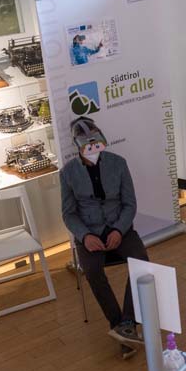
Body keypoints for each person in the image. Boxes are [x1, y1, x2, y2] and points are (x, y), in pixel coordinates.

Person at [60, 116, 150, 354]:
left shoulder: (119, 163)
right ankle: (117, 323)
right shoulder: (67, 173)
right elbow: (69, 214)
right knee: (91, 270)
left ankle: (128, 323)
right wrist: (85, 236)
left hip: (120, 228)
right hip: (89, 233)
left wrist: (119, 229)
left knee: (141, 261)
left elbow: (130, 204)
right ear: (78, 146)